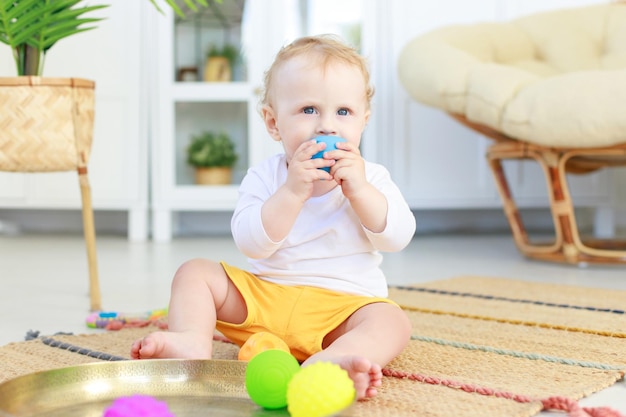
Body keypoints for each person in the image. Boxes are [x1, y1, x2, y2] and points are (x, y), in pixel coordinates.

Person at [131, 34, 416, 400]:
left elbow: (397, 237)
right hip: (265, 300)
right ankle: (191, 341)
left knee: (392, 322)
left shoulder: (371, 178)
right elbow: (252, 243)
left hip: (341, 310)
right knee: (195, 272)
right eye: (309, 110)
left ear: (363, 121)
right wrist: (292, 192)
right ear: (273, 123)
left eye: (343, 112)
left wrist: (359, 192)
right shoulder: (265, 177)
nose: (327, 127)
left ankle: (332, 360)